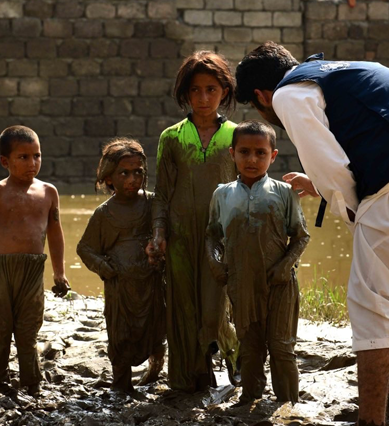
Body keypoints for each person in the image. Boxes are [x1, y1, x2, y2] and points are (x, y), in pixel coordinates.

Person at [235, 42, 389, 425]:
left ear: (262, 96)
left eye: (259, 108)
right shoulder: (335, 72)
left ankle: (371, 419)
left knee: (370, 301)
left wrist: (346, 205)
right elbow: (355, 149)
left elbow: (332, 169)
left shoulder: (288, 93)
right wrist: (323, 186)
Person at [149, 50, 239, 392]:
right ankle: (193, 377)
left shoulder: (237, 137)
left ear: (225, 93)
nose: (203, 98)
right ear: (185, 93)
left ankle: (234, 352)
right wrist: (159, 232)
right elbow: (162, 192)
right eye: (196, 90)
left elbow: (250, 186)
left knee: (214, 313)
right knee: (183, 311)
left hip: (220, 236)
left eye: (211, 90)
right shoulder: (171, 138)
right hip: (180, 235)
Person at [206, 120, 309, 404]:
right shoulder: (222, 194)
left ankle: (288, 403)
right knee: (250, 346)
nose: (252, 159)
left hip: (279, 283)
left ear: (272, 156)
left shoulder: (284, 193)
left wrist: (285, 266)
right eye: (245, 152)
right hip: (241, 282)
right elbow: (212, 236)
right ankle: (250, 398)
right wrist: (216, 264)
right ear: (232, 154)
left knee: (281, 347)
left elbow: (301, 237)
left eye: (260, 153)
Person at [0, 125, 71, 397]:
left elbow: (55, 233)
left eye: (37, 156)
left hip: (33, 268)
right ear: (5, 161)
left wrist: (59, 272)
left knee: (28, 327)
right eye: (23, 157)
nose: (32, 163)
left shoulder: (48, 192)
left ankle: (31, 381)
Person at [76, 138, 166, 393]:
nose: (132, 179)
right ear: (109, 179)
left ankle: (154, 372)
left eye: (138, 172)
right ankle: (122, 383)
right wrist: (106, 269)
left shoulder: (152, 203)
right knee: (121, 335)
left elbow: (165, 232)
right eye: (124, 173)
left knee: (156, 330)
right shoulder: (104, 214)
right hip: (120, 288)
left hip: (151, 283)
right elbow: (85, 248)